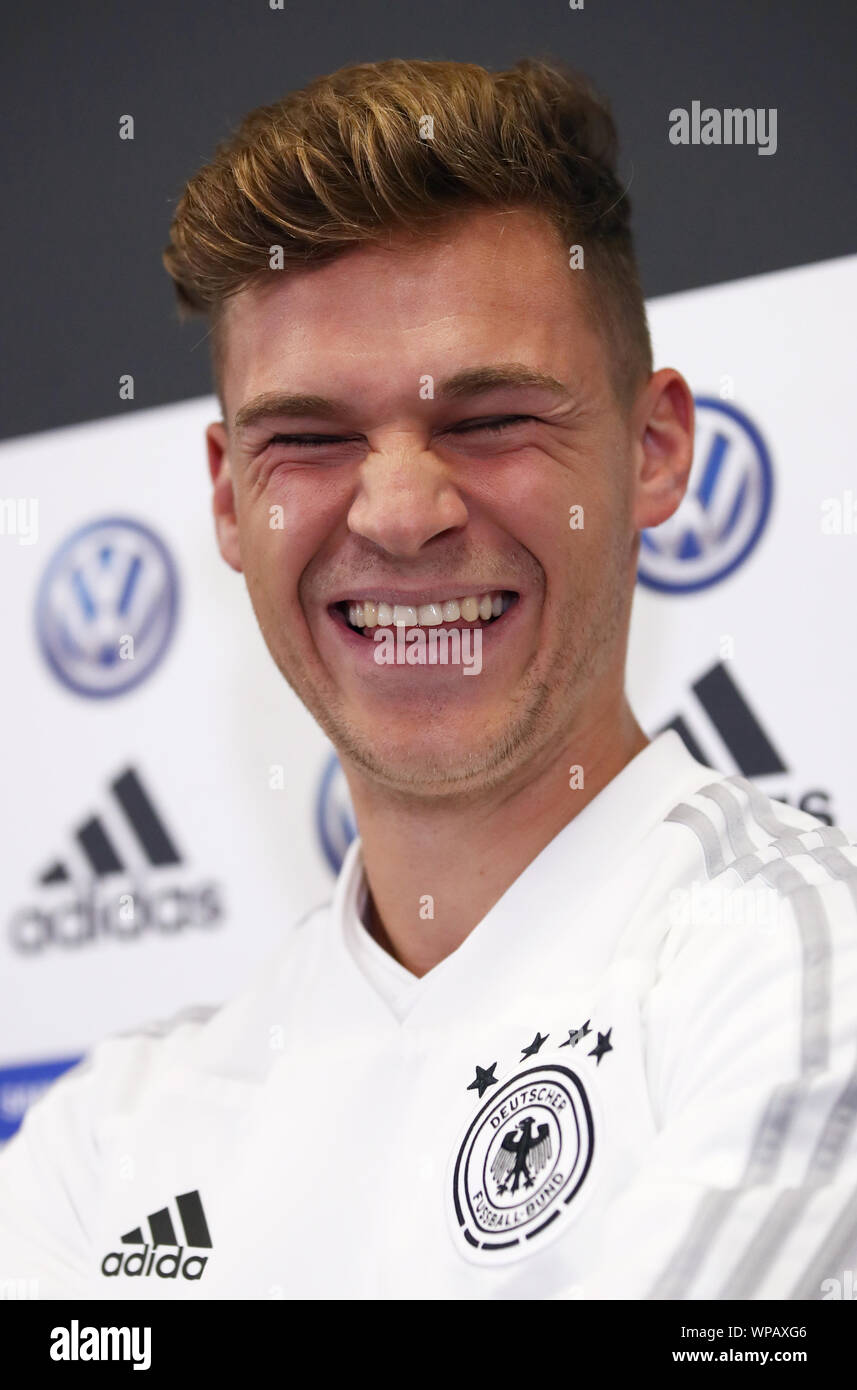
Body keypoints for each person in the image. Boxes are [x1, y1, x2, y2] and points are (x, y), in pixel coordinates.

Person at [2, 57, 855, 1301]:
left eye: (490, 416)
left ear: (655, 448)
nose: (399, 513)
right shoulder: (102, 1140)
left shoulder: (799, 971)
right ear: (229, 496)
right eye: (306, 437)